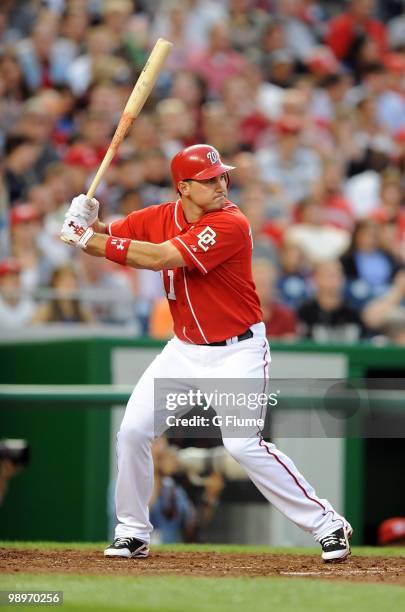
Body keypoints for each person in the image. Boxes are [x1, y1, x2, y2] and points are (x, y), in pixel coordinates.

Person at [60, 144, 352, 562]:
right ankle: (133, 531)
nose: (221, 184)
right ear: (184, 187)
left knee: (242, 444)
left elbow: (160, 256)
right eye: (210, 179)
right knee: (133, 431)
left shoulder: (230, 222)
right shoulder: (159, 215)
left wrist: (87, 240)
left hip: (237, 351)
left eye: (222, 176)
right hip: (183, 350)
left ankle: (327, 523)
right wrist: (84, 222)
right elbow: (114, 237)